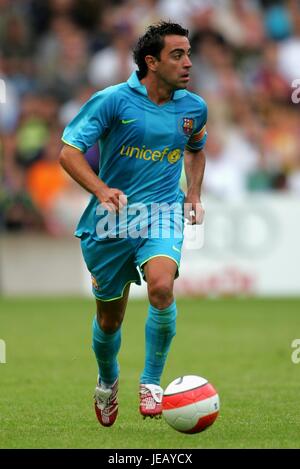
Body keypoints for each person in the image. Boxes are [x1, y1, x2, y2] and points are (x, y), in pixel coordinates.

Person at [59, 21, 207, 427]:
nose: (188, 62)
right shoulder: (113, 100)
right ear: (151, 62)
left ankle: (151, 382)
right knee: (110, 320)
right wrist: (102, 189)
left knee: (162, 287)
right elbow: (69, 152)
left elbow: (196, 150)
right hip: (111, 222)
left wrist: (193, 193)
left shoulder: (193, 108)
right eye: (178, 55)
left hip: (162, 213)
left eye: (189, 53)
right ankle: (108, 381)